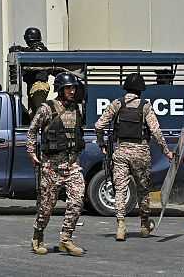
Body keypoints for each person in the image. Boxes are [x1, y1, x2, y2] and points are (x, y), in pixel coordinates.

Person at [95, 72, 174, 241]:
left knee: (120, 190)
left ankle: (121, 226)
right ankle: (144, 225)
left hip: (121, 152)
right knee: (143, 190)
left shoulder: (117, 104)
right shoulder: (145, 106)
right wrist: (166, 151)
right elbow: (156, 132)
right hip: (141, 153)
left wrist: (101, 144)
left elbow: (99, 125)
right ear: (140, 90)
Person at [26, 71, 87, 257]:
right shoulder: (47, 108)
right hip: (51, 166)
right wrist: (31, 152)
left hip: (72, 165)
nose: (72, 91)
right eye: (68, 88)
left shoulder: (77, 109)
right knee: (47, 206)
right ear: (60, 89)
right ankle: (38, 235)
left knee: (77, 201)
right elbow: (32, 131)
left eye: (73, 88)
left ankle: (66, 239)